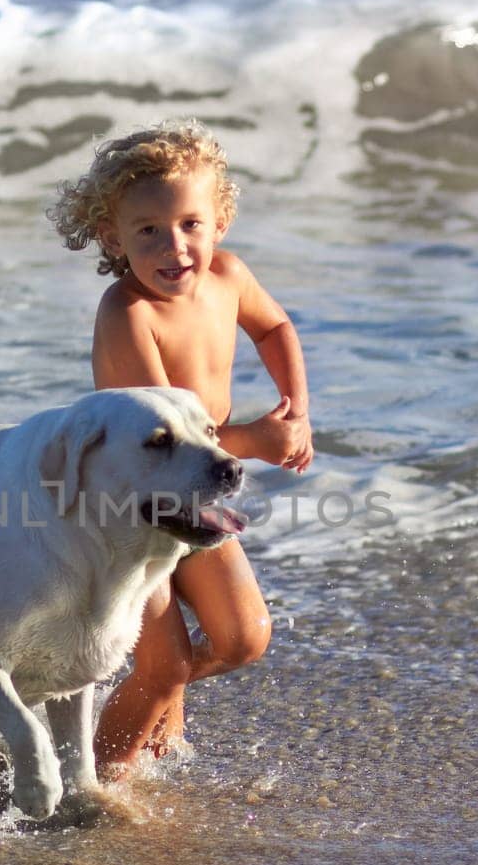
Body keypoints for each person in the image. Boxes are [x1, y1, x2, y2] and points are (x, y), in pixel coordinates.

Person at [47, 120, 314, 775]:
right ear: (113, 238)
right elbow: (164, 442)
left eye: (191, 224)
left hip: (193, 499)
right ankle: (95, 781)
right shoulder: (127, 314)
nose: (176, 246)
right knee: (162, 664)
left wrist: (296, 409)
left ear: (219, 219)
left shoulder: (229, 277)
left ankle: (146, 708)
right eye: (148, 231)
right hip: (131, 510)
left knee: (244, 637)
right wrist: (257, 441)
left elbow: (275, 325)